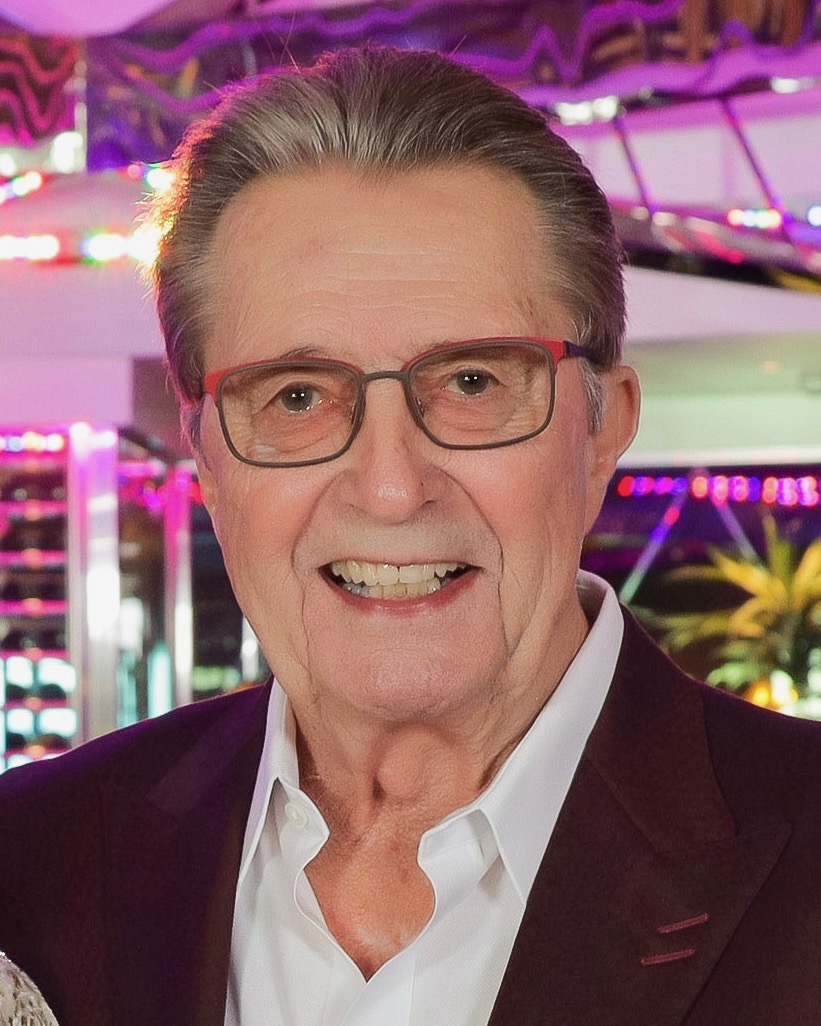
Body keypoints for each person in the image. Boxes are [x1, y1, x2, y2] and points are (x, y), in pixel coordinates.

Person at [1, 44, 820, 1026]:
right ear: (206, 456)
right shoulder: (33, 859)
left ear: (603, 425)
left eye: (472, 382)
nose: (391, 488)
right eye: (295, 396)